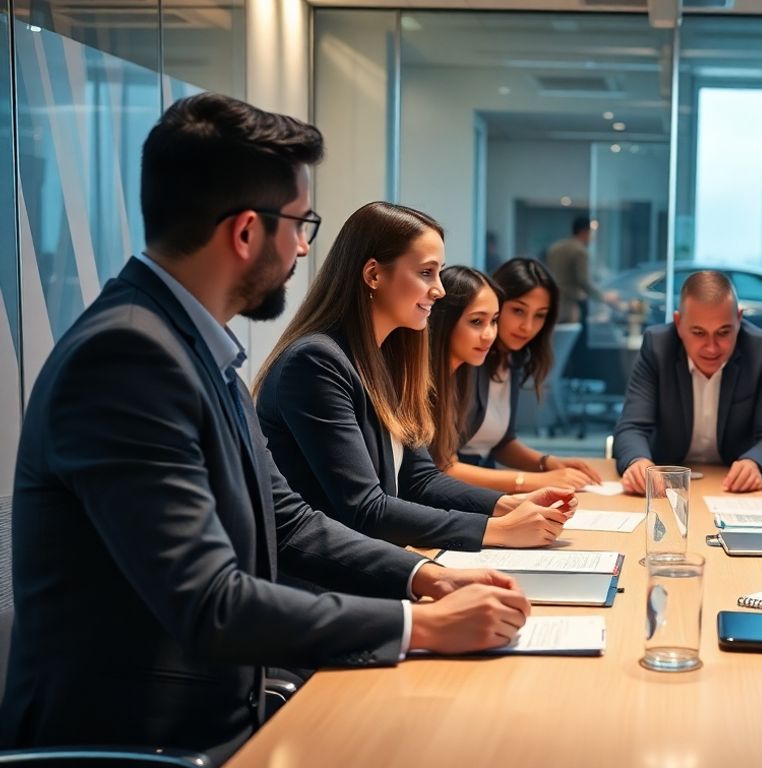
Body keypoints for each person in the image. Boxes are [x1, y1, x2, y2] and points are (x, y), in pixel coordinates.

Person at [1, 94, 533, 761]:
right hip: (140, 740)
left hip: (214, 712)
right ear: (247, 232)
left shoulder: (192, 345)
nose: (307, 244)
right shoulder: (128, 358)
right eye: (301, 222)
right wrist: (418, 626)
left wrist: (424, 577)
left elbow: (288, 521)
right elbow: (211, 602)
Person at [255, 203, 571, 552]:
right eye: (426, 273)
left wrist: (507, 506)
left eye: (439, 273)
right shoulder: (316, 362)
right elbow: (365, 509)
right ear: (374, 275)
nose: (439, 290)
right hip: (325, 579)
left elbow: (420, 480)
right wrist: (494, 530)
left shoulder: (387, 360)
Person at [613, 270, 762, 494]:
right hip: (667, 486)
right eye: (698, 332)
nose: (711, 347)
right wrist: (637, 462)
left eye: (724, 332)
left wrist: (755, 462)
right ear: (678, 323)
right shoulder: (658, 347)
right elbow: (631, 426)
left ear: (739, 318)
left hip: (732, 488)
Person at [437, 258, 603, 492]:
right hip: (456, 491)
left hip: (482, 486)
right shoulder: (466, 358)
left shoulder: (513, 359)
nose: (527, 326)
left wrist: (548, 464)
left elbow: (500, 442)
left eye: (540, 315)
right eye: (518, 311)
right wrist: (533, 480)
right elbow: (440, 466)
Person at [545, 215, 613, 323]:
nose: (593, 237)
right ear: (584, 232)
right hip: (573, 305)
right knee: (577, 337)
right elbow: (584, 281)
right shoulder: (580, 251)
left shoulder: (555, 248)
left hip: (554, 302)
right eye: (591, 233)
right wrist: (603, 297)